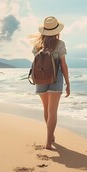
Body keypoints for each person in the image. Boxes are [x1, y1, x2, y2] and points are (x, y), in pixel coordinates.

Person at [32, 16, 70, 150]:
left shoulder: (37, 45)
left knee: (46, 109)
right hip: (56, 78)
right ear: (57, 31)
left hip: (40, 78)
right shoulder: (60, 44)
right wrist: (68, 83)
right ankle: (48, 143)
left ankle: (51, 136)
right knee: (53, 111)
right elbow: (63, 65)